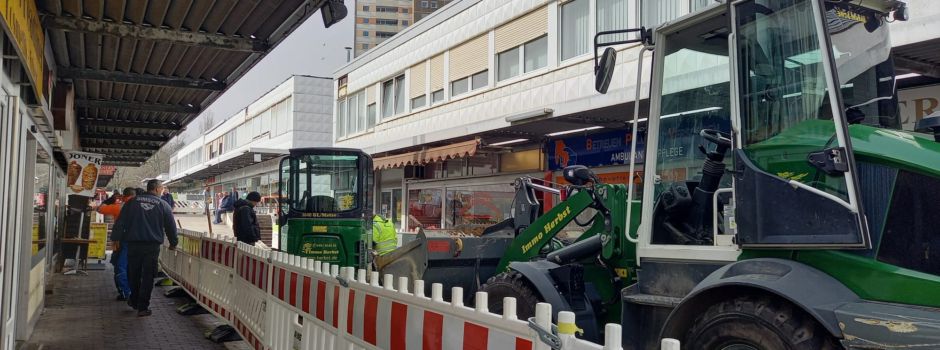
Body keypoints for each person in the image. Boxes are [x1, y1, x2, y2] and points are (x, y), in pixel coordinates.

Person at [111, 179, 178, 317]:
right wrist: (173, 243)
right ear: (157, 189)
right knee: (148, 276)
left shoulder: (131, 202)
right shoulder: (163, 205)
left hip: (133, 244)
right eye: (161, 189)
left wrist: (115, 238)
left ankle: (134, 300)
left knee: (133, 273)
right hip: (151, 247)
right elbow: (171, 227)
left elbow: (121, 222)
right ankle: (143, 307)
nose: (162, 191)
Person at [97, 187, 135, 301]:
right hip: (138, 241)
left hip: (121, 241)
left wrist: (108, 200)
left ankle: (124, 292)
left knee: (119, 266)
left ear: (124, 196)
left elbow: (99, 209)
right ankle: (131, 290)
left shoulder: (118, 207)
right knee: (130, 267)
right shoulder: (140, 207)